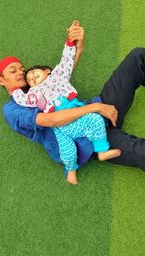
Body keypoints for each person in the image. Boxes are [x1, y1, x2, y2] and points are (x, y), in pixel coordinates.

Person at [0, 20, 145, 200]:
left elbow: (61, 75)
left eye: (21, 68)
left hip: (97, 111)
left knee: (138, 58)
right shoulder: (15, 109)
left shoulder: (37, 86)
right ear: (1, 81)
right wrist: (96, 107)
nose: (20, 72)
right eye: (13, 71)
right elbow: (51, 120)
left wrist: (77, 45)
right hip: (86, 139)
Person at [9, 31, 121, 185]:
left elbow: (66, 60)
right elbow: (24, 99)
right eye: (29, 80)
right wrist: (15, 90)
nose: (31, 78)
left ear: (47, 71)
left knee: (96, 120)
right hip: (61, 129)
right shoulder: (35, 94)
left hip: (78, 119)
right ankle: (71, 170)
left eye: (34, 73)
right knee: (67, 151)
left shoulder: (58, 76)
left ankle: (102, 151)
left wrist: (70, 42)